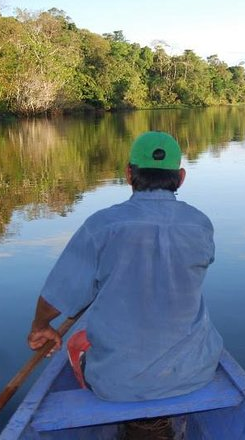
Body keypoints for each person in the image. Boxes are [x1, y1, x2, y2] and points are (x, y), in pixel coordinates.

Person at [27, 131, 223, 436]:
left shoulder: (101, 226)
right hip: (196, 374)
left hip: (115, 385)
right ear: (181, 177)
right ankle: (156, 423)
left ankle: (140, 423)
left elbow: (55, 299)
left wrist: (41, 326)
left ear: (129, 173)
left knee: (78, 341)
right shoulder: (200, 224)